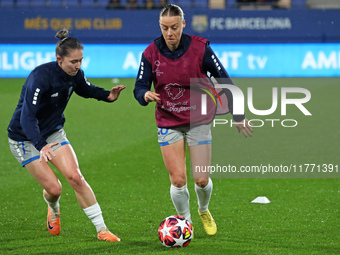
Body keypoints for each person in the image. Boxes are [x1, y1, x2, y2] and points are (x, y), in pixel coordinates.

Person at [133, 4, 253, 236]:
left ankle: (204, 210)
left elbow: (225, 80)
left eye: (174, 27)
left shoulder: (200, 48)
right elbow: (139, 85)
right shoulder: (150, 53)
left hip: (198, 118)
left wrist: (238, 114)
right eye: (165, 28)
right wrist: (144, 95)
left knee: (200, 179)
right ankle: (185, 223)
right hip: (168, 120)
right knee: (178, 180)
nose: (170, 33)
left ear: (183, 25)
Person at [7, 29, 125, 242]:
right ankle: (53, 208)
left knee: (76, 178)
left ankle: (102, 229)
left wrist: (108, 96)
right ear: (59, 59)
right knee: (54, 189)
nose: (78, 65)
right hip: (24, 138)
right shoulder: (40, 77)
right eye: (73, 61)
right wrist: (40, 144)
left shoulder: (75, 74)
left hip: (52, 132)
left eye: (81, 60)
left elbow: (86, 89)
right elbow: (27, 118)